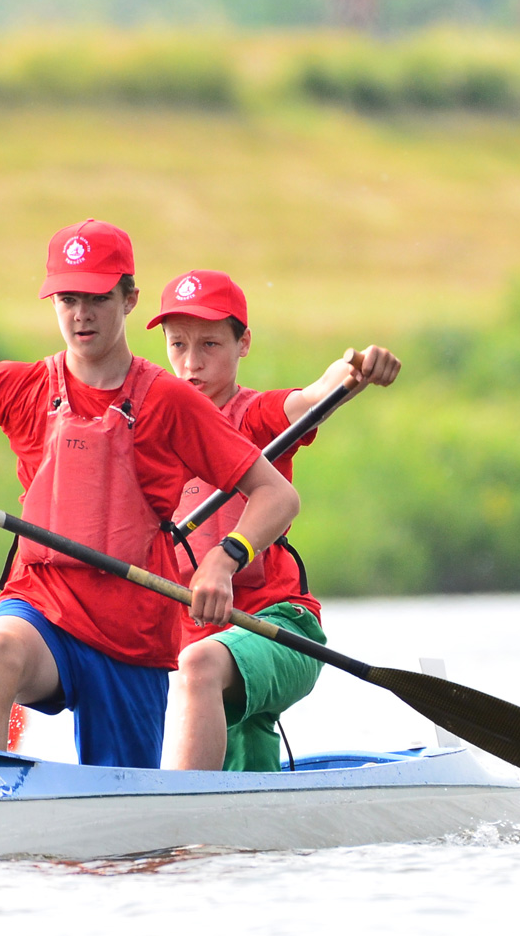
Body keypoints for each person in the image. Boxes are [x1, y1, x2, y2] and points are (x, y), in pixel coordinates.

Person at [0, 221, 301, 768]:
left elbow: (276, 495)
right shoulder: (19, 386)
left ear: (130, 299)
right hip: (44, 609)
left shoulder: (169, 401)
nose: (81, 314)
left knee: (132, 841)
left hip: (132, 641)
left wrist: (224, 558)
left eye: (97, 298)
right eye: (68, 298)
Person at [148, 269, 400, 772]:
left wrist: (354, 370)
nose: (191, 363)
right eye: (177, 345)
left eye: (211, 344)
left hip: (280, 627)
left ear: (244, 344)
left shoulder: (257, 416)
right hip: (190, 636)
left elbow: (313, 398)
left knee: (199, 666)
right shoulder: (149, 435)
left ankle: (180, 815)